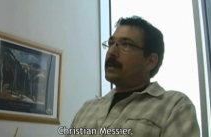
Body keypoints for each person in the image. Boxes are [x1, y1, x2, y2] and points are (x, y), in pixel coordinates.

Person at [64, 16, 200, 137]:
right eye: (111, 43)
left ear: (150, 61)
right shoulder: (87, 108)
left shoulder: (174, 106)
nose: (112, 52)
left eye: (126, 45)